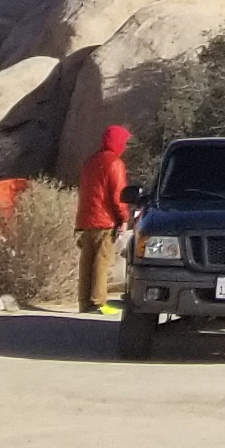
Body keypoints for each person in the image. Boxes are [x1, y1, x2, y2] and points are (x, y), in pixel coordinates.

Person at [76, 125, 136, 317]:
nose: (125, 146)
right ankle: (99, 303)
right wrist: (124, 218)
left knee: (86, 263)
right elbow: (118, 195)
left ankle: (84, 302)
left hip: (86, 220)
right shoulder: (115, 164)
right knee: (101, 264)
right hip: (106, 221)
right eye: (124, 142)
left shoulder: (90, 162)